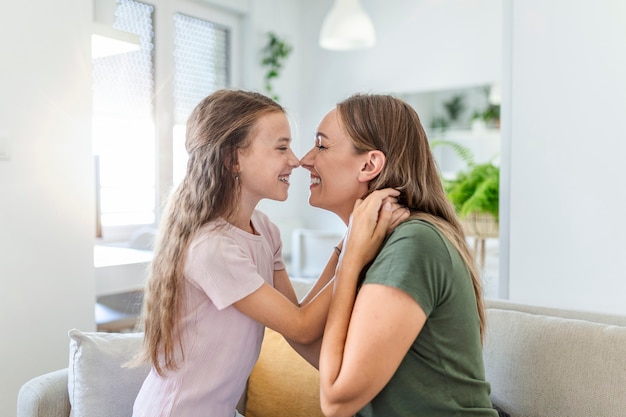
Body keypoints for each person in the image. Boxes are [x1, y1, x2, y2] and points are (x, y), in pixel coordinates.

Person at [131, 89, 371, 417]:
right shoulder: (212, 247)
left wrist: (347, 243)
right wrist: (355, 252)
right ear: (233, 159)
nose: (296, 160)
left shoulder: (264, 229)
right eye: (281, 147)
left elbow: (296, 317)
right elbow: (301, 326)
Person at [299, 93, 498, 417]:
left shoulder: (414, 242)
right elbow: (307, 336)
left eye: (321, 145)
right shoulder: (380, 243)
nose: (306, 159)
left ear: (369, 164)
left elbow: (336, 400)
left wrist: (350, 259)